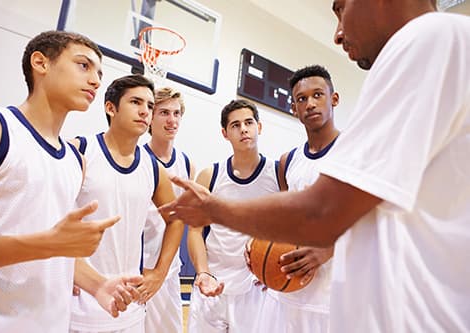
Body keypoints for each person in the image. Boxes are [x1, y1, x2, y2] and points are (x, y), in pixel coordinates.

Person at [160, 1, 470, 331]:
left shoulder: (430, 38)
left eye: (340, 8)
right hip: (298, 300)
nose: (337, 33)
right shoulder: (287, 162)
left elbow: (322, 212)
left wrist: (214, 210)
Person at [0, 30, 129, 333]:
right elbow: (46, 244)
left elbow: (55, 249)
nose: (96, 80)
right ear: (40, 63)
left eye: (99, 73)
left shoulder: (75, 159)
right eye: (84, 65)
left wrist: (98, 285)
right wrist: (45, 245)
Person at [69, 74, 184, 333]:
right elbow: (50, 214)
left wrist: (160, 271)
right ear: (110, 108)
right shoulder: (80, 150)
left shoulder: (153, 168)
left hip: (130, 307)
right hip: (79, 302)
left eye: (150, 106)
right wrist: (65, 267)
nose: (145, 111)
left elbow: (176, 218)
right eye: (135, 102)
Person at [257, 65, 338, 333]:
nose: (310, 104)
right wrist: (258, 249)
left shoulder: (356, 151)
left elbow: (374, 220)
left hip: (334, 294)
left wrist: (329, 249)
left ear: (333, 99)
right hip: (288, 289)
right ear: (294, 108)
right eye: (301, 99)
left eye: (318, 95)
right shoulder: (287, 162)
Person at [186, 99, 277, 332]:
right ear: (225, 133)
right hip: (212, 285)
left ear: (260, 127)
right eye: (235, 125)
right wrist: (203, 272)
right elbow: (195, 231)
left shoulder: (278, 174)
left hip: (256, 288)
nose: (243, 129)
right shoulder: (210, 175)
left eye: (249, 122)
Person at [142, 87, 195, 333]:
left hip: (168, 269)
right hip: (136, 266)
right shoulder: (136, 157)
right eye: (164, 112)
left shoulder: (186, 163)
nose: (172, 120)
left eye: (176, 113)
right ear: (150, 116)